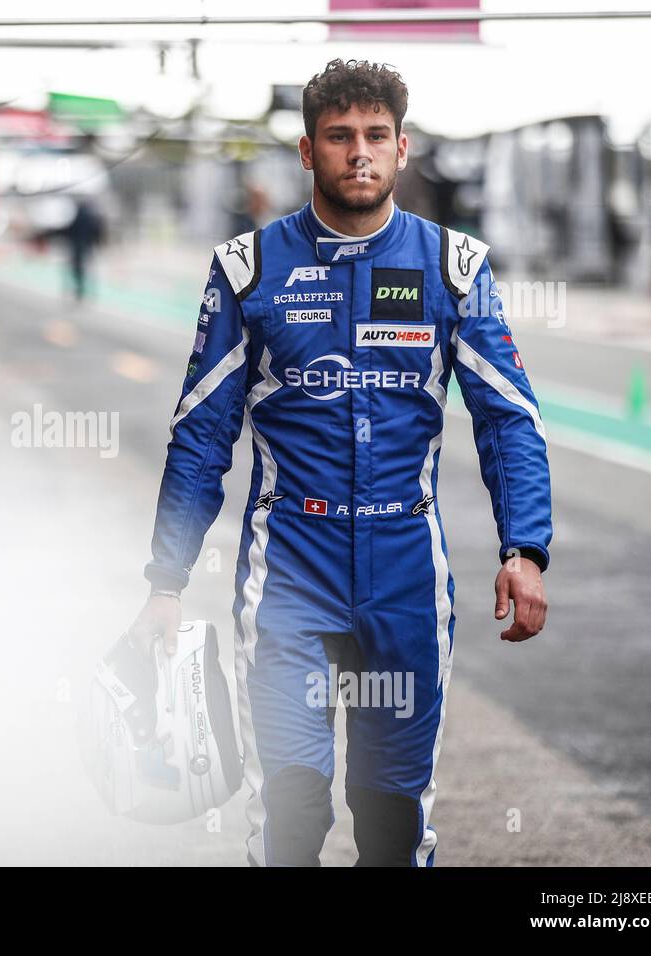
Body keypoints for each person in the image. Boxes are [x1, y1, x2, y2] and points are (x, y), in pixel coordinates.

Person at [127, 59, 552, 867]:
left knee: (391, 822)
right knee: (292, 807)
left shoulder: (454, 268)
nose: (359, 152)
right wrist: (166, 584)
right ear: (307, 150)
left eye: (375, 136)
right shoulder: (248, 270)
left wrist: (524, 549)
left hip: (403, 574)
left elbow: (508, 419)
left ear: (402, 147)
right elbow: (200, 436)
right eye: (339, 137)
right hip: (289, 572)